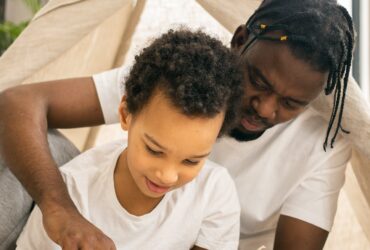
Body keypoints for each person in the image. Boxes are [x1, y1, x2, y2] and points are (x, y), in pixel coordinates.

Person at [0, 0, 355, 249]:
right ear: (240, 42)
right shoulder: (181, 78)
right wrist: (59, 207)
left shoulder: (319, 147)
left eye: (291, 103)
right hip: (89, 220)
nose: (264, 108)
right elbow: (18, 104)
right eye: (258, 81)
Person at [16, 29, 242, 249]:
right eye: (154, 150)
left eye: (191, 161)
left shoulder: (214, 192)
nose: (167, 175)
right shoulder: (74, 192)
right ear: (125, 115)